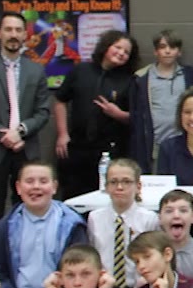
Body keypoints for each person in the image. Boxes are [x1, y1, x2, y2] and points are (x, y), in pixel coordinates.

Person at [0, 12, 55, 238]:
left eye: (18, 30)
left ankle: (25, 258)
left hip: (26, 150)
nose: (13, 35)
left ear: (25, 35)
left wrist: (21, 132)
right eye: (8, 30)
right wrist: (4, 135)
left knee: (28, 208)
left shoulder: (36, 70)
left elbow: (43, 111)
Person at [53, 29, 139, 198]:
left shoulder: (130, 80)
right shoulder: (81, 70)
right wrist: (62, 134)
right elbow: (60, 101)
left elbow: (137, 118)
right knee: (72, 197)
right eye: (118, 47)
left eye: (126, 52)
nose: (121, 53)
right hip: (77, 148)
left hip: (110, 152)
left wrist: (118, 114)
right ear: (106, 46)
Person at [129, 29, 193, 173]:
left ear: (179, 52)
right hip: (155, 146)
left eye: (172, 47)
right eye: (163, 47)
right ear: (156, 51)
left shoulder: (189, 75)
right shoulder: (142, 78)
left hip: (186, 144)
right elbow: (136, 117)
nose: (167, 51)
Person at [86, 157, 157, 288]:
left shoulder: (149, 219)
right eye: (113, 182)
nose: (119, 187)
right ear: (106, 187)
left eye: (126, 182)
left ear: (138, 186)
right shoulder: (94, 218)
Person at [155, 189, 193, 282]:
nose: (176, 215)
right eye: (169, 211)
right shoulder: (150, 253)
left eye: (183, 211)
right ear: (160, 218)